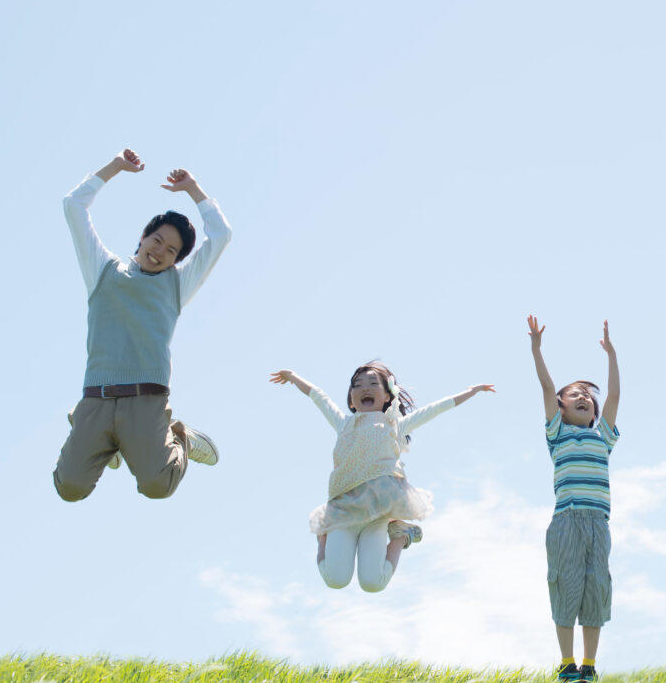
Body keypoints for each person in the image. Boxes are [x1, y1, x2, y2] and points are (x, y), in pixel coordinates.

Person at [54, 148, 228, 502]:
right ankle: (109, 444)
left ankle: (178, 435)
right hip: (97, 398)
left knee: (156, 486)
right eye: (157, 240)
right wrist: (115, 167)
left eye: (171, 251)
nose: (160, 251)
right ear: (143, 237)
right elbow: (73, 206)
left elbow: (221, 235)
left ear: (177, 260)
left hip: (145, 399)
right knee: (69, 488)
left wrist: (194, 189)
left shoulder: (177, 284)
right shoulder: (102, 270)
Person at [270, 362, 493, 591]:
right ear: (351, 399)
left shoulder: (394, 425)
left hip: (377, 514)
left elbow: (435, 409)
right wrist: (294, 376)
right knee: (335, 579)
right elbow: (319, 397)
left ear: (387, 396)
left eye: (373, 383)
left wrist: (472, 391)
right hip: (343, 512)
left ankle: (400, 536)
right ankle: (322, 537)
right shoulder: (343, 423)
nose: (365, 388)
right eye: (358, 385)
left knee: (372, 583)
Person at [527, 316, 620, 683]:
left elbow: (614, 397)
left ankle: (589, 666)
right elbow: (547, 386)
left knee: (596, 587)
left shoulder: (604, 437)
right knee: (565, 586)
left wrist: (612, 356)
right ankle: (567, 665)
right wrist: (537, 349)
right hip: (565, 521)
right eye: (575, 394)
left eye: (588, 395)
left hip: (598, 523)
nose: (584, 397)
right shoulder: (557, 434)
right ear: (561, 408)